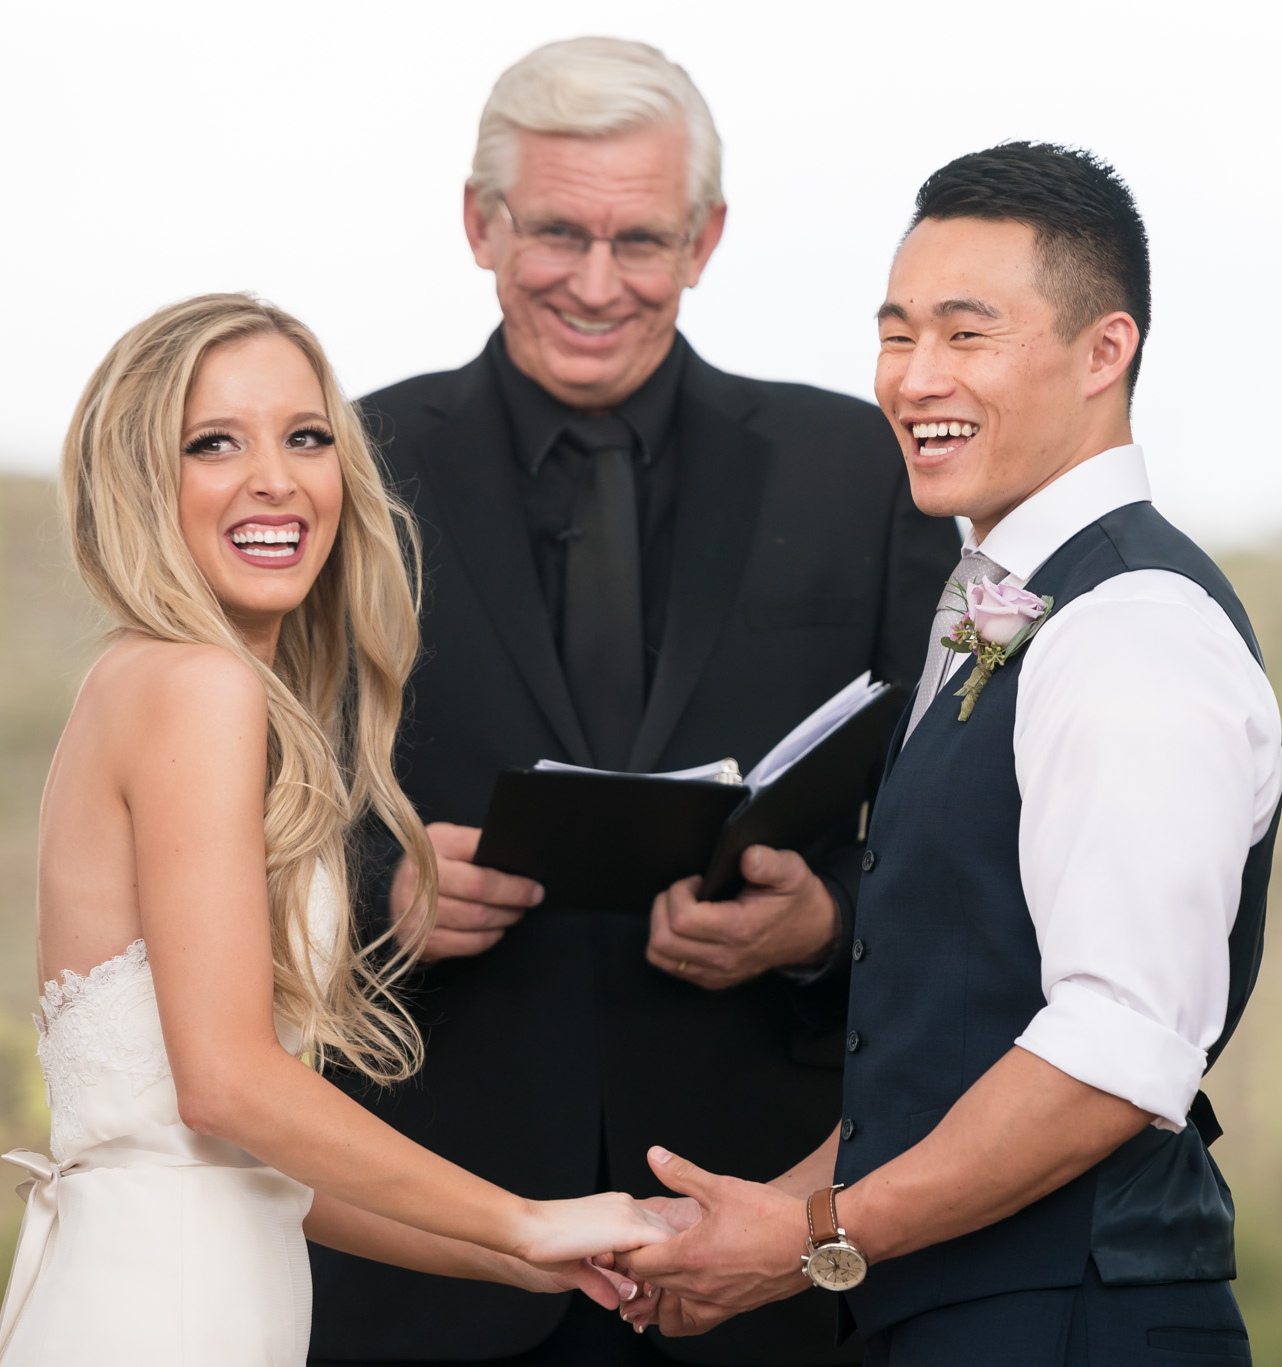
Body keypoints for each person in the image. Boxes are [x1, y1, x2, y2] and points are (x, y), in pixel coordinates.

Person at [307, 38, 956, 1367]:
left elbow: (951, 822)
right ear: (479, 224)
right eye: (556, 231)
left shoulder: (861, 474)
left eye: (641, 239)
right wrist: (376, 885)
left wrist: (823, 919)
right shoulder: (340, 471)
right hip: (431, 1248)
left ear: (707, 236)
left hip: (762, 1255)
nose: (596, 284)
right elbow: (242, 794)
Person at [615, 144, 1282, 1366]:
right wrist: (764, 1223)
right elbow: (952, 1025)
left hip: (1079, 1323)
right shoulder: (1001, 597)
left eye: (966, 335)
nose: (914, 378)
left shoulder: (1131, 627)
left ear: (1103, 351)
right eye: (895, 333)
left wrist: (813, 1234)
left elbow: (1115, 1049)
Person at [0, 293, 673, 1367]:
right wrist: (525, 1217)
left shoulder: (140, 680)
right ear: (137, 481)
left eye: (305, 436)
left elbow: (233, 1155)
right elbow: (229, 1081)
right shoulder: (200, 686)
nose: (275, 477)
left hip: (173, 1280)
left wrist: (513, 1252)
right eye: (213, 442)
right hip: (170, 1312)